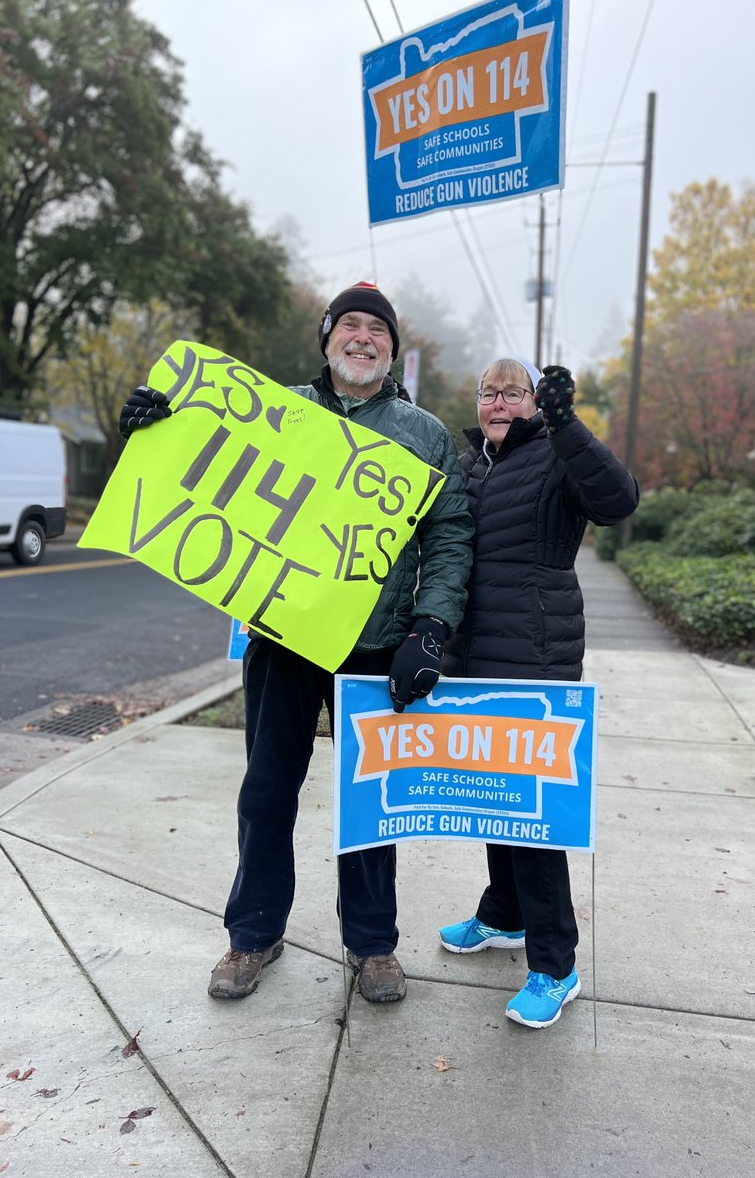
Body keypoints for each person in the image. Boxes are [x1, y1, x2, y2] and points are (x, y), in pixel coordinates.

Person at [118, 282, 473, 1004]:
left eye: (379, 330)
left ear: (393, 350)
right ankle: (253, 934)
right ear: (327, 338)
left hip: (375, 647)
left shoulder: (425, 434)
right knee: (268, 790)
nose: (364, 338)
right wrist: (152, 432)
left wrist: (432, 627)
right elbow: (201, 463)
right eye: (351, 326)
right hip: (283, 636)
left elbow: (449, 536)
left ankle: (372, 944)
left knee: (371, 800)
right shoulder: (275, 411)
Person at [439, 358, 638, 1028]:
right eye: (489, 392)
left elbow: (619, 500)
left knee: (534, 814)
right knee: (492, 797)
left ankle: (556, 965)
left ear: (532, 402)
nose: (499, 403)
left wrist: (567, 422)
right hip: (474, 658)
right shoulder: (467, 464)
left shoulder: (556, 453)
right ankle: (504, 914)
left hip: (538, 658)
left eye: (513, 393)